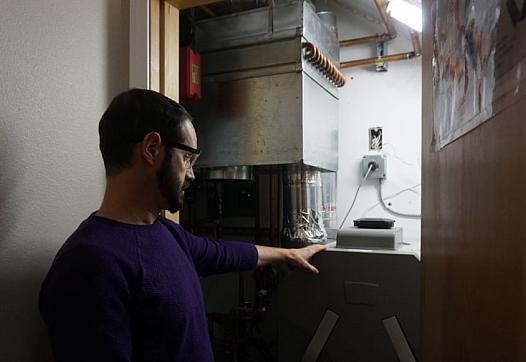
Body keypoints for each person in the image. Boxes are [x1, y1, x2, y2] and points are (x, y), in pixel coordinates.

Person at [39, 89, 326, 362]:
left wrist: (290, 254)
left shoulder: (166, 232)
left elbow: (223, 253)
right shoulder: (90, 264)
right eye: (187, 158)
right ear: (151, 149)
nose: (191, 175)